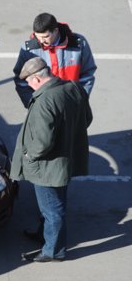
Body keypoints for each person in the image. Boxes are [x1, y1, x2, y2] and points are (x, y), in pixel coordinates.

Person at [10, 57, 92, 262]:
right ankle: (43, 234)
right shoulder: (73, 87)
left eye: (28, 82)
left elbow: (42, 143)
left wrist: (29, 155)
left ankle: (53, 251)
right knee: (54, 203)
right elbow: (87, 118)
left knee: (52, 208)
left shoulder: (44, 100)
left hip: (47, 167)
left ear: (37, 79)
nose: (29, 86)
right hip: (65, 161)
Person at [13, 13, 97, 108]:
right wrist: (32, 105)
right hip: (44, 107)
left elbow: (87, 75)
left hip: (73, 105)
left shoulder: (79, 43)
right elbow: (21, 81)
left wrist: (80, 100)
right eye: (38, 36)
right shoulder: (28, 50)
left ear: (56, 31)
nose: (41, 41)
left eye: (45, 37)